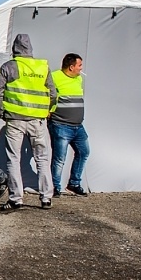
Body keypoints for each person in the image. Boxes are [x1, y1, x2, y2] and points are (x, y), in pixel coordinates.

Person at [0, 32, 56, 209]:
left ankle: (16, 198)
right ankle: (46, 197)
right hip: (38, 121)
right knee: (42, 158)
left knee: (13, 159)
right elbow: (53, 93)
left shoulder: (8, 67)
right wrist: (48, 110)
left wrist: (2, 112)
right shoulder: (43, 67)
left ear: (14, 49)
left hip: (15, 120)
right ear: (30, 48)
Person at [49, 53, 89, 196]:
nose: (81, 68)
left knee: (84, 152)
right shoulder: (54, 77)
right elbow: (47, 96)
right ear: (71, 67)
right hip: (61, 125)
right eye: (79, 65)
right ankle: (54, 187)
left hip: (78, 126)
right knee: (59, 158)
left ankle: (74, 183)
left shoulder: (78, 79)